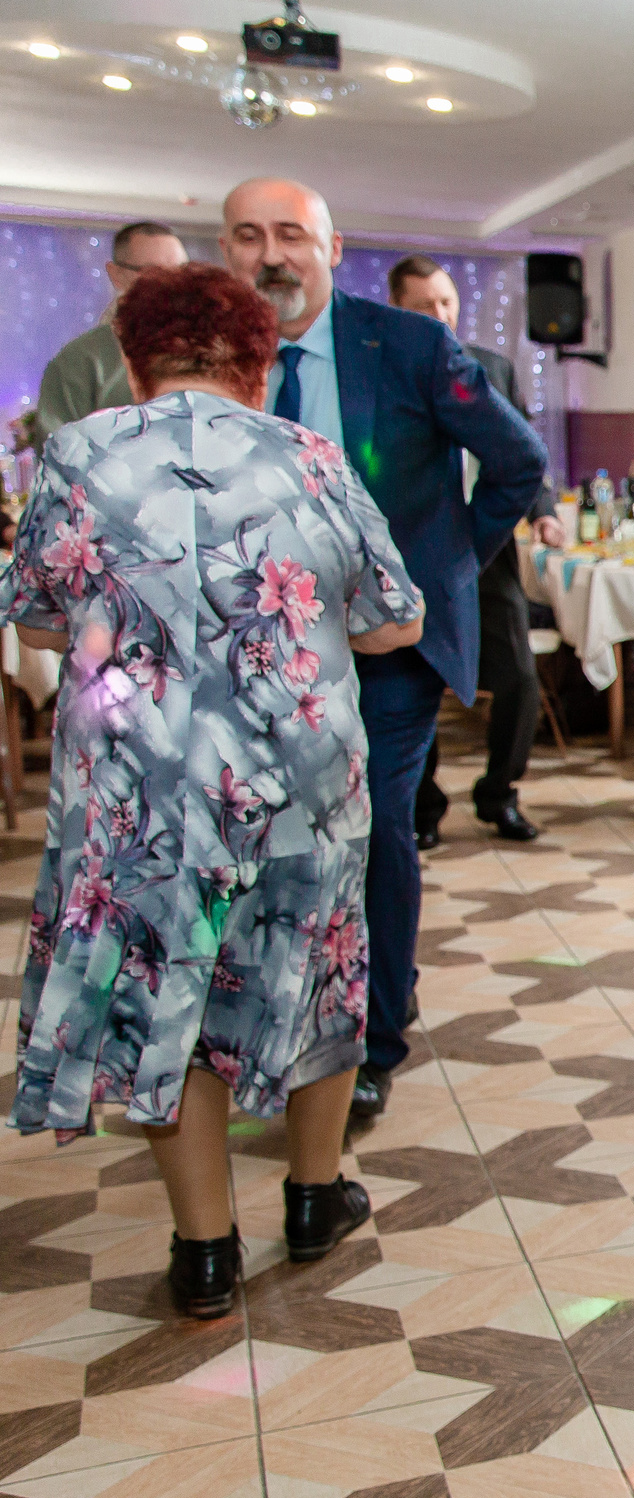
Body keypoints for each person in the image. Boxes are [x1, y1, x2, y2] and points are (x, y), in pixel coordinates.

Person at [1, 263, 426, 1318]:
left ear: (133, 358)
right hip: (297, 783)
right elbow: (396, 621)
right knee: (319, 974)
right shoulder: (309, 455)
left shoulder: (76, 452)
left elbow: (38, 624)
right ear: (259, 360)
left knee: (165, 1001)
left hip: (136, 792)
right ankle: (315, 1198)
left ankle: (203, 1252)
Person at [221, 178, 548, 1123]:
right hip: (259, 650)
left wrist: (442, 568)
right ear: (226, 250)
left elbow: (518, 461)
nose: (271, 256)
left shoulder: (409, 345)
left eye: (291, 235)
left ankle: (372, 1037)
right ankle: (281, 1017)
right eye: (248, 237)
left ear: (331, 249)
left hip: (388, 649)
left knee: (372, 828)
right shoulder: (216, 358)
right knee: (270, 833)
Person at [386, 254, 565, 848]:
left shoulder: (490, 368)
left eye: (447, 303)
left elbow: (522, 451)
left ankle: (500, 794)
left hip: (485, 551)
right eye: (424, 306)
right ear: (398, 309)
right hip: (410, 556)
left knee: (520, 681)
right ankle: (424, 808)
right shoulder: (384, 373)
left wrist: (542, 512)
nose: (440, 315)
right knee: (417, 685)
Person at [32, 220, 189, 451]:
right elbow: (57, 454)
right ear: (116, 274)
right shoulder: (81, 361)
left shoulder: (213, 350)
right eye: (153, 273)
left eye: (181, 272)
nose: (172, 285)